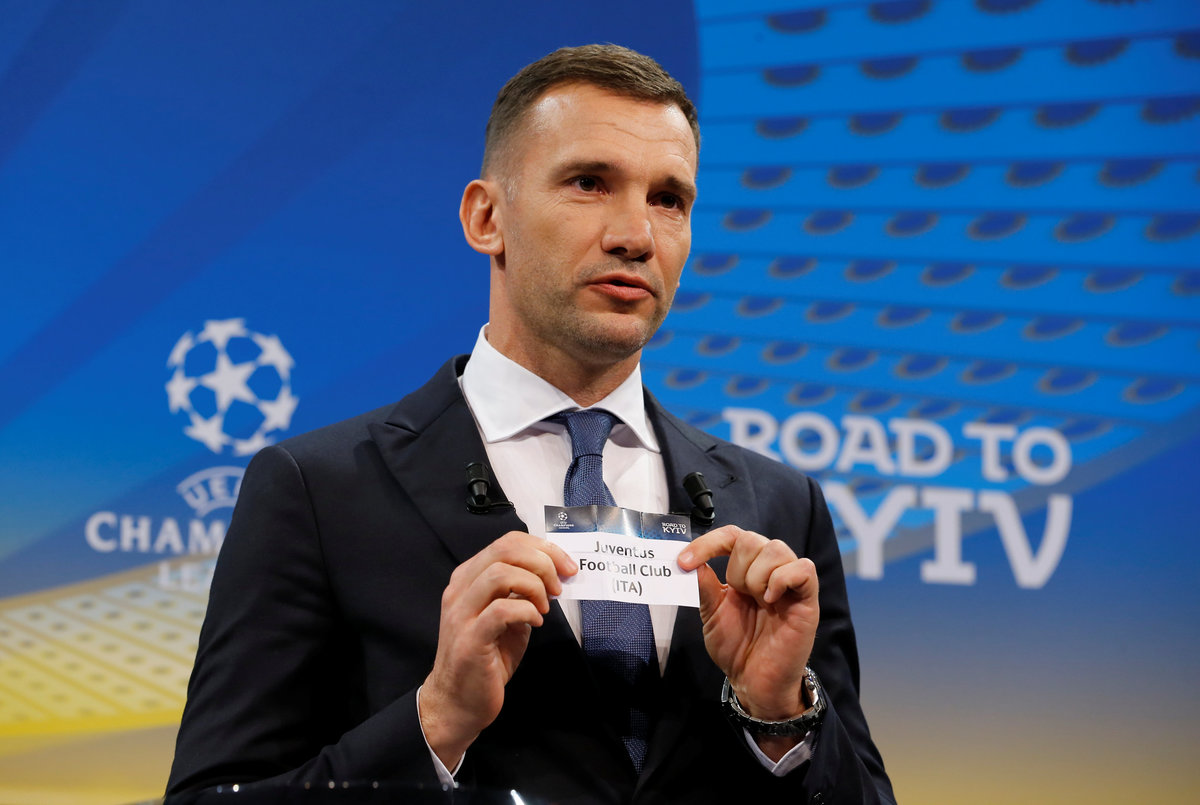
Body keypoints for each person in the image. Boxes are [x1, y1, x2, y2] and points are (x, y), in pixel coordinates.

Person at [166, 44, 894, 804]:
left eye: (668, 199)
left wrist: (779, 716)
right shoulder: (319, 491)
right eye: (589, 183)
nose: (636, 235)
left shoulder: (780, 507)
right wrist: (434, 721)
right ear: (487, 217)